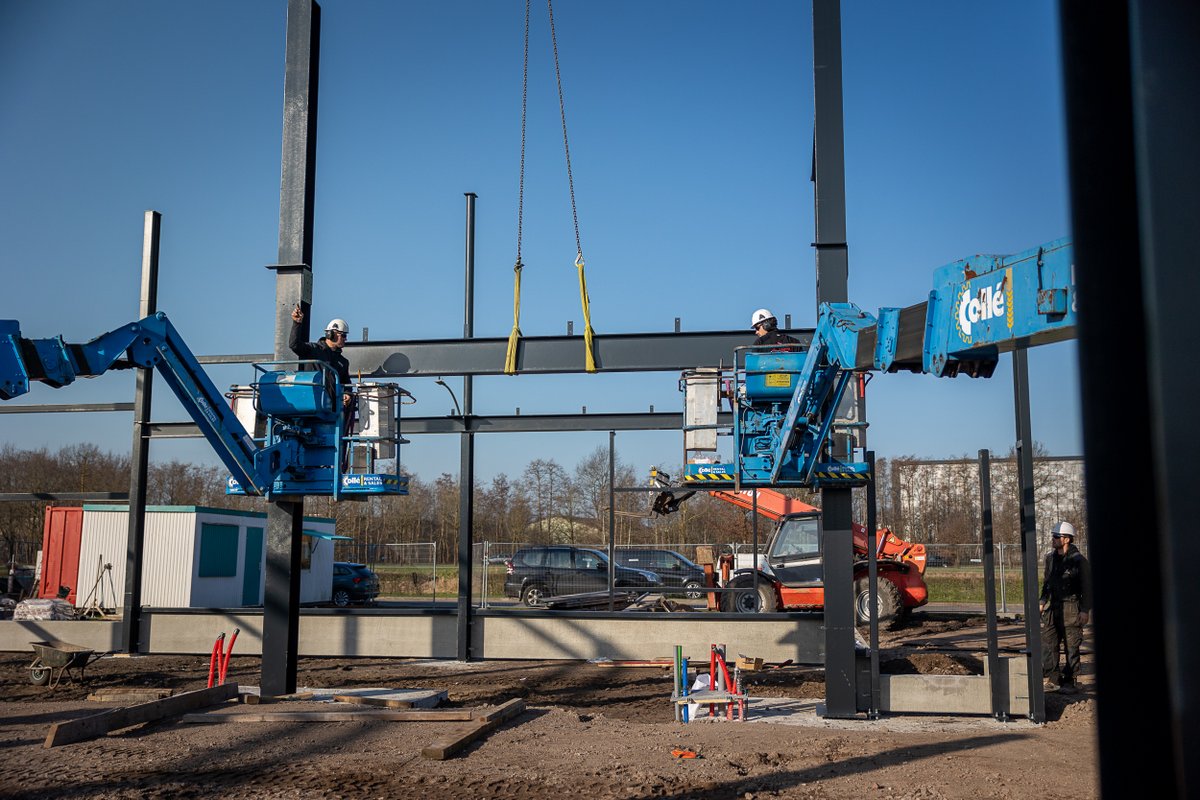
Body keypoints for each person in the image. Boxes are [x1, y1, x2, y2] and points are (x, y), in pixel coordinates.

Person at [1039, 521, 1092, 692]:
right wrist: (1042, 601)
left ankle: (1070, 681)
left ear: (1067, 539)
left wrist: (1084, 610)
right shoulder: (1050, 558)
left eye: (1056, 537)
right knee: (1049, 643)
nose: (1053, 539)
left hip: (1071, 607)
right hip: (1053, 607)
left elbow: (1087, 588)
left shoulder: (1079, 561)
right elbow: (1047, 582)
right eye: (1053, 536)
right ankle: (1054, 679)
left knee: (1071, 645)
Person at [289, 304, 354, 426]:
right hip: (311, 407)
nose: (345, 339)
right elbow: (294, 345)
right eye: (343, 335)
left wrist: (347, 394)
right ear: (332, 334)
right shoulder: (313, 350)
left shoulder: (343, 362)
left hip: (331, 413)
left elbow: (346, 383)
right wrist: (297, 324)